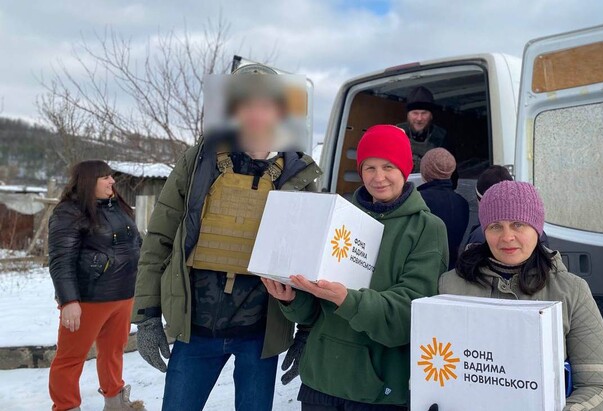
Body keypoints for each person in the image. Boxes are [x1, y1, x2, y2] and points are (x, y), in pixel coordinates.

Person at [132, 72, 323, 411]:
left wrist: (307, 329)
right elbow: (160, 237)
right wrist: (147, 316)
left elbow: (310, 258)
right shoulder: (199, 161)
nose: (255, 114)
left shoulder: (299, 173)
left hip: (260, 334)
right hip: (196, 329)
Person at [262, 124, 449, 411]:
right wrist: (292, 298)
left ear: (405, 169)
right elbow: (313, 313)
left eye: (388, 167)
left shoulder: (427, 228)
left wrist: (347, 300)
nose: (378, 177)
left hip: (376, 391)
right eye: (369, 167)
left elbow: (408, 316)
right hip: (319, 381)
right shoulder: (340, 216)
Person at [440, 181, 603, 410]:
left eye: (518, 224)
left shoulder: (572, 291)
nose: (507, 237)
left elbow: (598, 386)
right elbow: (435, 366)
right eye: (495, 226)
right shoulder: (450, 285)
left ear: (537, 228)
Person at [48, 160, 144, 411]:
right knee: (70, 358)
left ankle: (116, 403)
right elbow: (61, 260)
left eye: (111, 176)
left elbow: (136, 244)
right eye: (105, 177)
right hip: (88, 299)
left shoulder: (118, 207)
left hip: (123, 295)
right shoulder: (69, 212)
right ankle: (66, 407)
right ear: (88, 181)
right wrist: (69, 301)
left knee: (113, 351)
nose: (112, 181)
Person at [466, 165, 549, 247]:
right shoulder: (537, 231)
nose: (507, 238)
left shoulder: (479, 237)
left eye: (518, 225)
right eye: (497, 227)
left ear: (480, 202)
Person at [417, 148, 468, 269]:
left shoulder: (417, 201)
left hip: (422, 269)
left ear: (425, 171)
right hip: (452, 268)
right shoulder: (462, 203)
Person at [396, 86, 447, 173]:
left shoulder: (441, 136)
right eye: (415, 113)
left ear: (431, 115)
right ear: (408, 115)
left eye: (424, 113)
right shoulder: (396, 133)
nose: (419, 118)